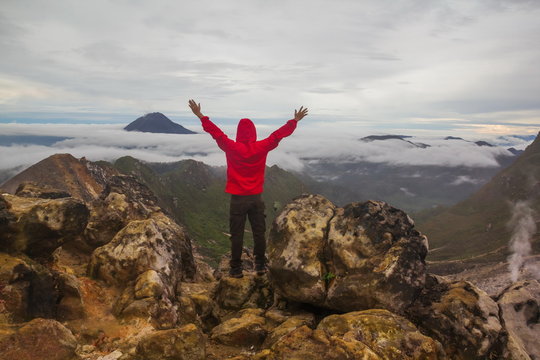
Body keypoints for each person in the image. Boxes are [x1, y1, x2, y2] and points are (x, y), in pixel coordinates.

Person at [188, 99, 308, 278]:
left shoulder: (232, 147)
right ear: (253, 132)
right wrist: (294, 121)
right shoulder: (261, 147)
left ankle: (236, 269)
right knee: (259, 233)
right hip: (256, 198)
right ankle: (260, 265)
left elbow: (217, 134)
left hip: (237, 199)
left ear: (238, 133)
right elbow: (277, 136)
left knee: (236, 235)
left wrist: (200, 115)